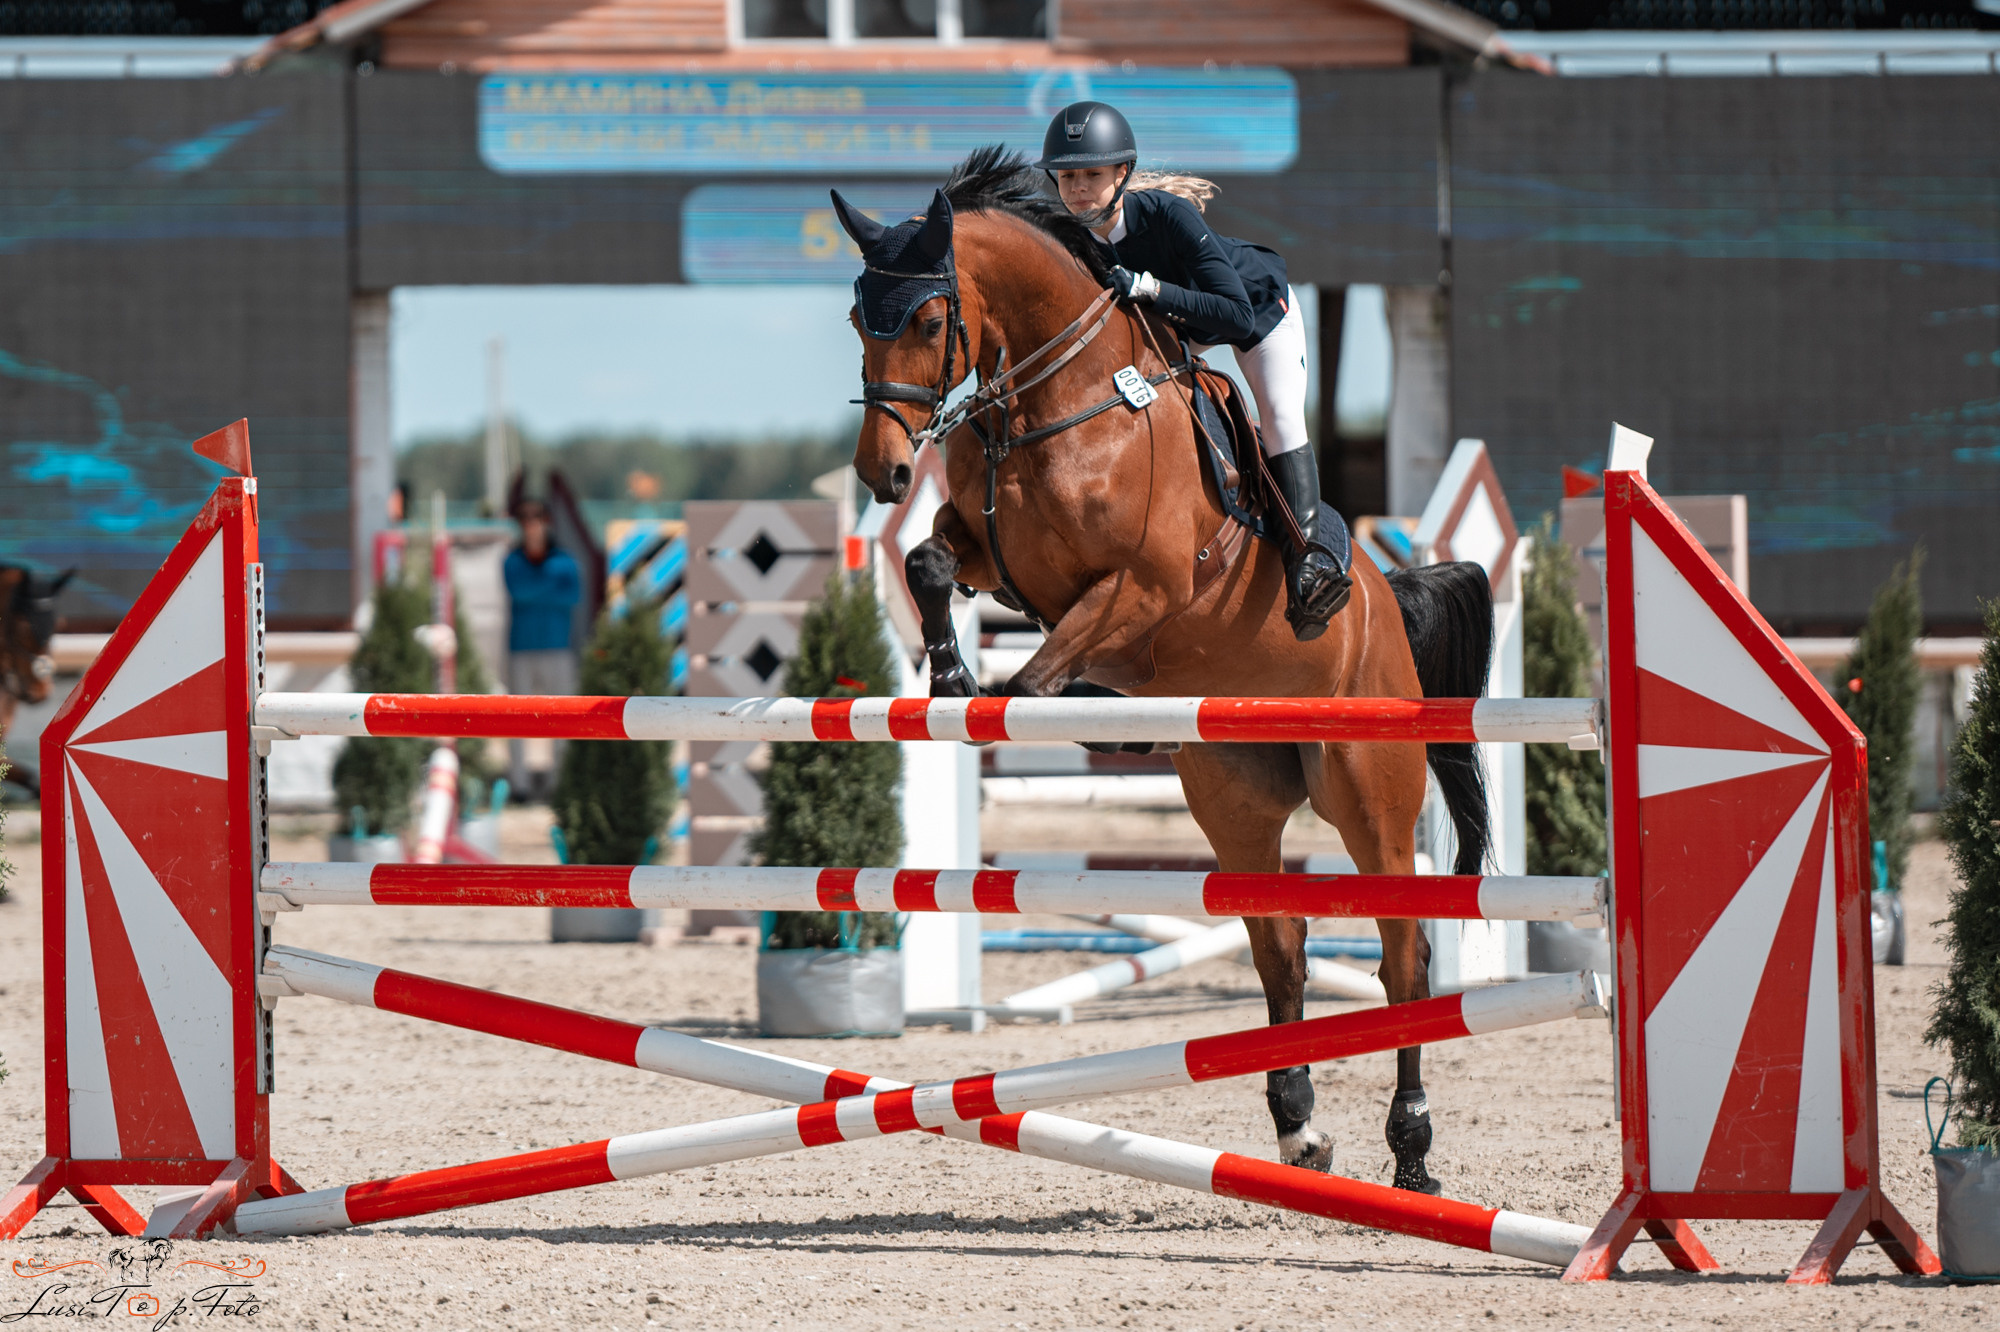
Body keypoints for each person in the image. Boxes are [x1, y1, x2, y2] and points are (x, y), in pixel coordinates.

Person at [1038, 100, 1351, 641]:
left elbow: (1234, 315)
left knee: (1279, 415)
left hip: (1258, 314)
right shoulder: (1074, 240)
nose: (1079, 189)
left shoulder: (1168, 215)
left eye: (1092, 175)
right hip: (1180, 332)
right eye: (1067, 177)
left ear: (1122, 174)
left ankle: (1308, 565)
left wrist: (1149, 287)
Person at [503, 499, 582, 800]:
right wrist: (549, 586)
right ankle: (520, 785)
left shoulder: (565, 561)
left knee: (563, 717)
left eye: (537, 517)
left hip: (557, 648)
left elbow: (571, 596)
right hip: (521, 648)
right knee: (515, 718)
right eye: (525, 518)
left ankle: (560, 783)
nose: (531, 524)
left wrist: (534, 589)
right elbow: (518, 591)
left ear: (547, 521)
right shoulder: (512, 561)